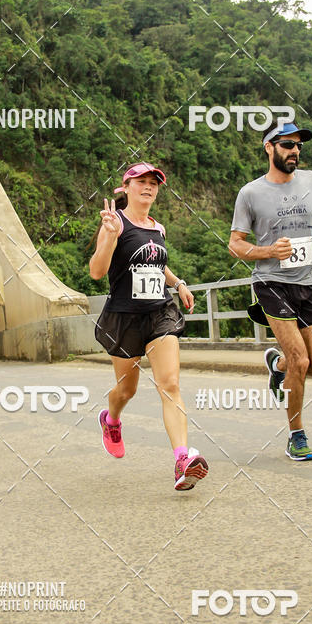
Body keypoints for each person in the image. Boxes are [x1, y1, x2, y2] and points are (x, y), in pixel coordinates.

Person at [89, 162, 209, 491]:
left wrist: (179, 283)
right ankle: (111, 420)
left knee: (169, 384)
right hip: (124, 317)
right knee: (126, 390)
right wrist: (109, 236)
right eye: (141, 181)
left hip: (159, 313)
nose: (148, 187)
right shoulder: (115, 223)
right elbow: (97, 271)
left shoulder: (158, 228)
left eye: (154, 183)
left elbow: (157, 264)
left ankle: (182, 459)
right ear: (125, 188)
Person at [228, 122, 312, 461]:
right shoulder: (250, 193)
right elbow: (235, 244)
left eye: (298, 145)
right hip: (271, 284)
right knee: (300, 361)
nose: (295, 151)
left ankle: (277, 366)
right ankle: (296, 434)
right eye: (287, 144)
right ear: (269, 147)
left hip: (309, 282)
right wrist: (269, 252)